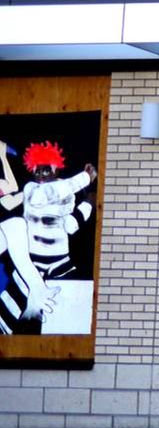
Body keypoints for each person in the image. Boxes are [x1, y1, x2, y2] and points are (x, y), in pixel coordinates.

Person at [0, 141, 95, 334]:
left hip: (61, 263)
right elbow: (48, 193)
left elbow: (71, 225)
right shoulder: (32, 189)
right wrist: (86, 177)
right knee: (6, 314)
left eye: (46, 170)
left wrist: (87, 205)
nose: (42, 176)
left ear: (56, 169)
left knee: (67, 313)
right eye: (37, 171)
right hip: (31, 262)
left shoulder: (67, 195)